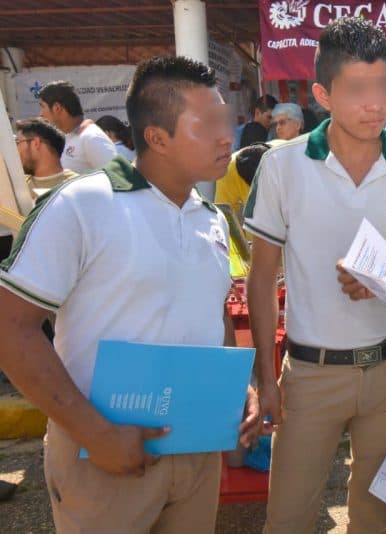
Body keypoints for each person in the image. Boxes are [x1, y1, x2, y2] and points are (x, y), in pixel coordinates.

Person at [0, 55, 261, 533]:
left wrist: (235, 387)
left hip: (195, 449)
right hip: (101, 455)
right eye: (208, 124)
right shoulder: (82, 204)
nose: (227, 136)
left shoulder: (210, 218)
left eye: (226, 121)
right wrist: (95, 433)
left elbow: (213, 312)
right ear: (157, 137)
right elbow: (10, 327)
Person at [244, 17, 386, 534]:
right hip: (310, 376)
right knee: (288, 519)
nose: (375, 103)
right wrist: (266, 378)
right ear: (322, 94)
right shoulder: (282, 166)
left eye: (383, 85)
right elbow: (261, 279)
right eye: (357, 89)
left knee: (375, 520)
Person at [37, 80, 117, 174]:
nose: (40, 114)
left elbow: (117, 177)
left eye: (43, 107)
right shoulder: (67, 136)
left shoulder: (91, 137)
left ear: (57, 108)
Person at [15, 117, 79, 200]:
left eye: (17, 142)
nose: (15, 149)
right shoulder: (15, 186)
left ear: (36, 143)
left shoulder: (76, 185)